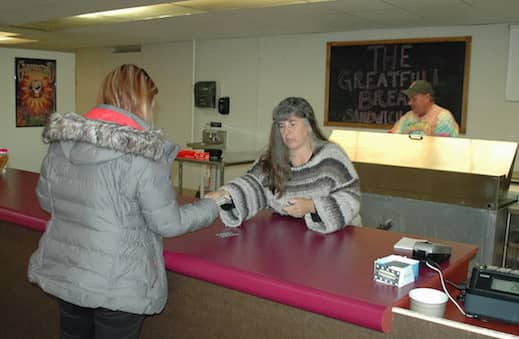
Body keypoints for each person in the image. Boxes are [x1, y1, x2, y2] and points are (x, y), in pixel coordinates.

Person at [28, 64, 218, 339]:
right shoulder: (143, 154)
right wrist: (211, 205)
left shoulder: (61, 145)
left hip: (68, 273)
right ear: (142, 101)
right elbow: (168, 223)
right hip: (118, 283)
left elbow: (46, 200)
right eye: (151, 102)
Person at [205, 97, 361, 234]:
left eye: (292, 124)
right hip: (289, 236)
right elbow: (253, 184)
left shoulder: (331, 158)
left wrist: (313, 206)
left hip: (338, 236)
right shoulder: (272, 159)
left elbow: (351, 197)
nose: (286, 132)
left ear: (309, 126)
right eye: (282, 126)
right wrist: (226, 194)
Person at [390, 80, 459, 137]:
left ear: (427, 98)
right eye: (409, 99)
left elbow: (441, 148)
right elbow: (392, 138)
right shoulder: (407, 117)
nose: (409, 103)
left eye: (414, 99)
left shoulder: (443, 118)